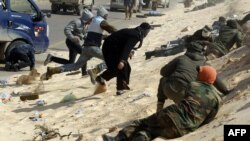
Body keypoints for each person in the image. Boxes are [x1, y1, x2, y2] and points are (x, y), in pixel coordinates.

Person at [102, 65, 223, 141]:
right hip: (184, 128)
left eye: (200, 73)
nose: (197, 74)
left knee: (142, 123)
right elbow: (208, 120)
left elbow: (183, 100)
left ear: (204, 76)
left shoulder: (193, 85)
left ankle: (118, 139)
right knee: (153, 131)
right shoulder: (218, 100)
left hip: (173, 114)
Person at [44, 6, 117, 80]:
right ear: (104, 15)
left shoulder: (92, 23)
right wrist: (122, 34)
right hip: (83, 45)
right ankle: (93, 71)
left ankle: (52, 70)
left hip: (86, 47)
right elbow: (111, 29)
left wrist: (105, 37)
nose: (107, 17)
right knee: (110, 59)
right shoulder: (99, 21)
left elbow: (92, 36)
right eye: (106, 15)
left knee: (74, 65)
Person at [93, 22, 151, 95]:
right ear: (144, 30)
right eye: (147, 32)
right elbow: (127, 48)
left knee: (117, 68)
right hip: (111, 49)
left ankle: (101, 78)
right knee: (122, 67)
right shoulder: (135, 35)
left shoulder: (134, 32)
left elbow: (124, 43)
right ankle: (120, 89)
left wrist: (127, 54)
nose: (147, 34)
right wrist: (122, 60)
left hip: (111, 47)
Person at [155, 41, 206, 112]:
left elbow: (163, 72)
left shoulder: (181, 58)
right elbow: (213, 78)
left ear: (188, 50)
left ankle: (159, 108)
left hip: (170, 89)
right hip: (190, 94)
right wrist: (225, 91)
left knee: (163, 79)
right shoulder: (203, 63)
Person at [43, 9, 93, 76]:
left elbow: (83, 34)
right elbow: (66, 29)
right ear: (86, 18)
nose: (91, 21)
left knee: (71, 62)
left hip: (76, 43)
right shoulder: (76, 22)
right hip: (71, 42)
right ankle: (84, 73)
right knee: (84, 53)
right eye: (90, 19)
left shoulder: (85, 25)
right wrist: (72, 37)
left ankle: (52, 58)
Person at [145, 25, 213, 60]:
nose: (204, 32)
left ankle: (158, 50)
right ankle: (151, 53)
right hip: (186, 42)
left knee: (170, 50)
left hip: (189, 44)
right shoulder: (199, 32)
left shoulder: (210, 37)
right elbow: (193, 43)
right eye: (204, 31)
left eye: (206, 32)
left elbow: (211, 46)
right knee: (169, 52)